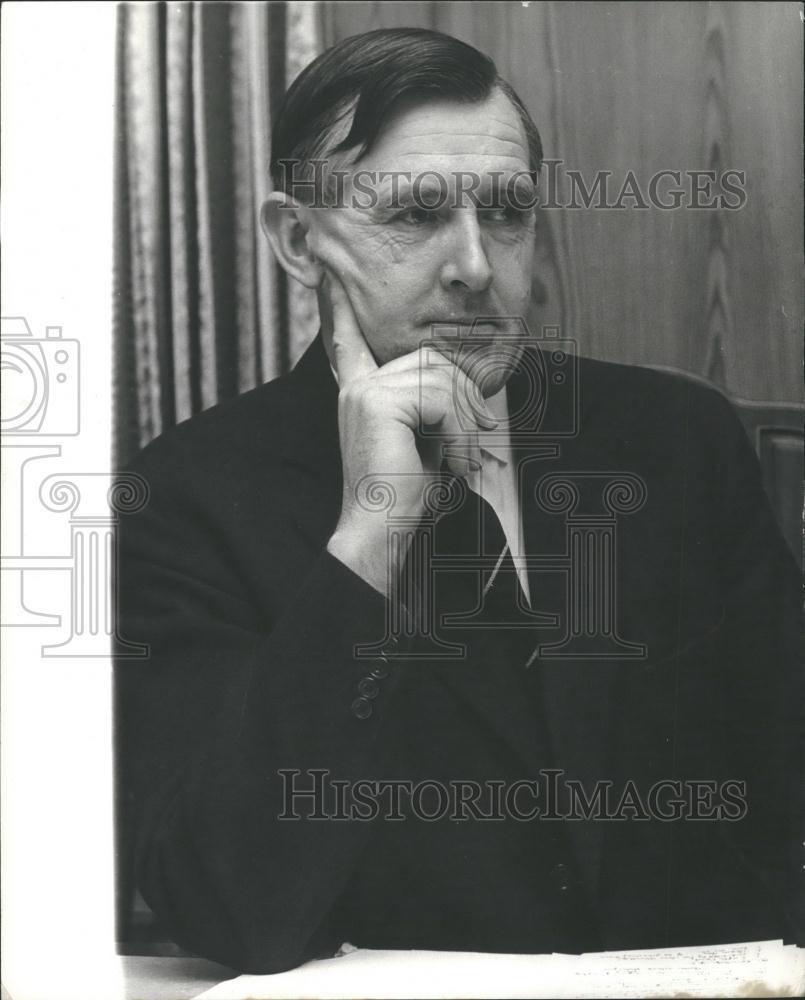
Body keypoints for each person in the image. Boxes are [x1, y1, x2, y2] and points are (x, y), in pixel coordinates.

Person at [116, 28, 802, 974]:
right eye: (415, 214)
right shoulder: (186, 496)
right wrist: (370, 536)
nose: (476, 266)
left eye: (507, 212)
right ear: (298, 240)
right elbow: (221, 905)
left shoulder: (676, 439)